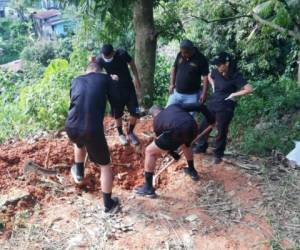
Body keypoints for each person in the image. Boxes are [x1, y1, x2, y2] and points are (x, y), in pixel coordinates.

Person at [65, 62, 120, 213]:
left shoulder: (76, 80)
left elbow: (76, 100)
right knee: (105, 165)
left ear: (87, 71)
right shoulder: (105, 78)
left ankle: (79, 173)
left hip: (71, 126)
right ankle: (109, 205)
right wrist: (113, 81)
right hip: (91, 129)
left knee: (79, 143)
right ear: (99, 71)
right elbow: (116, 100)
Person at [134, 103, 215, 198]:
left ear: (153, 115)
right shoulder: (174, 106)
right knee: (186, 145)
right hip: (192, 127)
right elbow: (201, 106)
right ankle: (192, 170)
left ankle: (148, 188)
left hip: (176, 131)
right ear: (163, 108)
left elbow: (165, 144)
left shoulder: (156, 122)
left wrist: (172, 153)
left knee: (149, 151)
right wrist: (211, 120)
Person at [193, 52, 253, 164]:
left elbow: (249, 89)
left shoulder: (236, 75)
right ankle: (201, 146)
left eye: (220, 64)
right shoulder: (216, 72)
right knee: (204, 125)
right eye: (216, 65)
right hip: (213, 102)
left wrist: (234, 95)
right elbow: (209, 76)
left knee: (221, 130)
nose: (218, 67)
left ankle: (218, 154)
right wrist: (213, 84)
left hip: (226, 106)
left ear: (227, 63)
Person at [96, 44, 141, 145]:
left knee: (136, 111)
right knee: (117, 113)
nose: (107, 59)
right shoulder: (100, 60)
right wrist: (109, 77)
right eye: (105, 57)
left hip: (129, 87)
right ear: (102, 55)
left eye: (109, 57)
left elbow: (132, 63)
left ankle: (130, 132)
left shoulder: (121, 53)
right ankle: (120, 134)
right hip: (113, 91)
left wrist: (136, 79)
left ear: (113, 52)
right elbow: (96, 73)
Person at [167, 39, 209, 107]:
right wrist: (172, 84)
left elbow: (205, 77)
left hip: (191, 96)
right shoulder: (180, 55)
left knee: (187, 117)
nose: (183, 54)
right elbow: (174, 68)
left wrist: (204, 93)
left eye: (185, 52)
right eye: (182, 52)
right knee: (167, 112)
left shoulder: (201, 58)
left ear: (191, 50)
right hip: (176, 93)